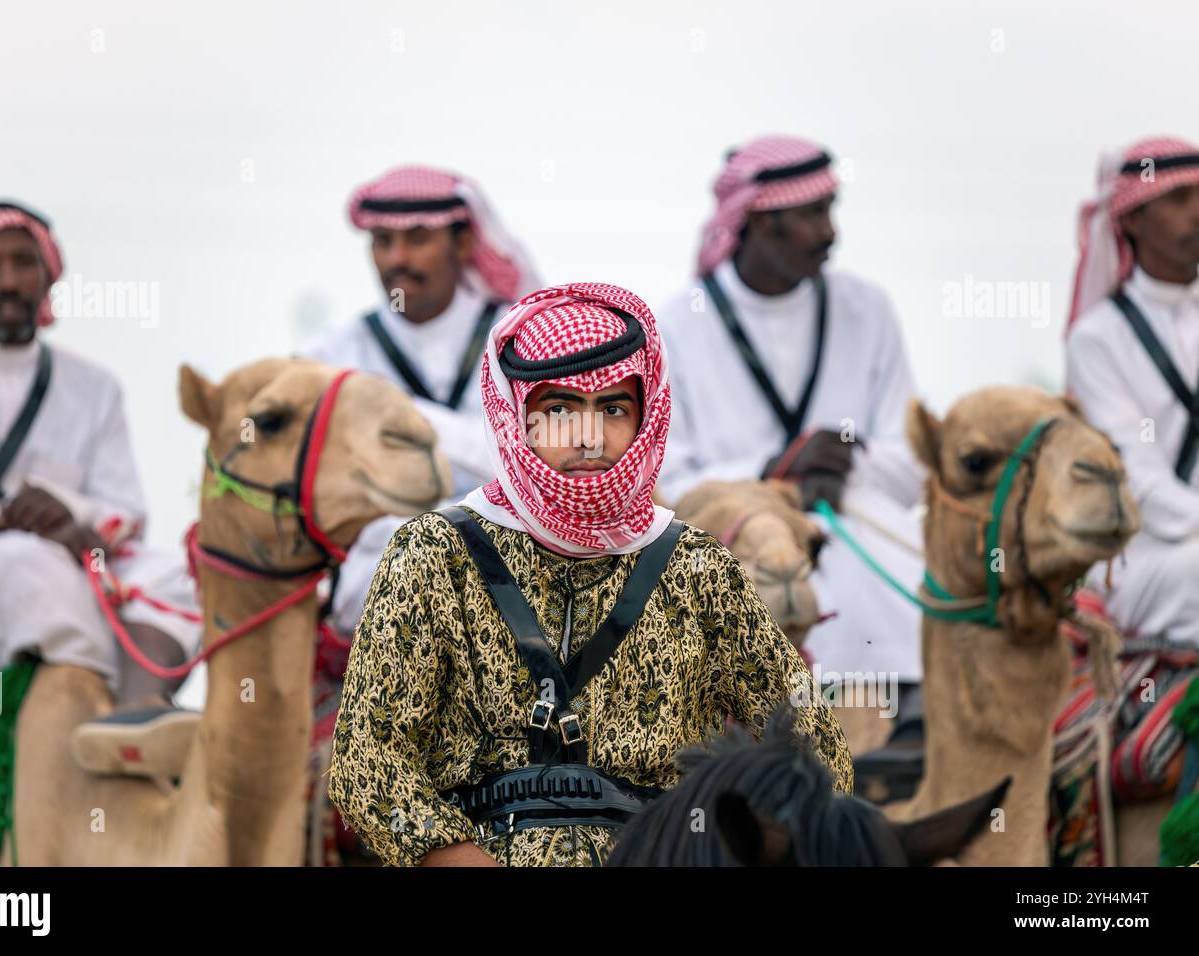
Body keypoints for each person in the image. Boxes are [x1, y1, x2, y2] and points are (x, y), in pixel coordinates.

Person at [328, 281, 852, 867]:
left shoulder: (700, 569)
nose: (589, 436)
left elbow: (817, 751)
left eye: (613, 408)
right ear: (515, 415)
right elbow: (369, 764)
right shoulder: (431, 557)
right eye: (558, 411)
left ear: (646, 414)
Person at [0, 200, 200, 777]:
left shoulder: (93, 387)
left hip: (64, 564)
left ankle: (138, 712)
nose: (9, 280)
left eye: (23, 263)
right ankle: (94, 715)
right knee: (19, 562)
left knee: (183, 570)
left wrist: (71, 516)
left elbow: (127, 510)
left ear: (47, 276)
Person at [656, 135, 925, 694]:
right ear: (758, 222)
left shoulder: (867, 310)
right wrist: (771, 472)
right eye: (812, 215)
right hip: (736, 537)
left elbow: (912, 463)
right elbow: (667, 481)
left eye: (829, 210)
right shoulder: (678, 324)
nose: (830, 233)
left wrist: (845, 467)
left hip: (862, 523)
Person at [303, 166, 539, 636]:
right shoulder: (333, 355)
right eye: (383, 242)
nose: (398, 258)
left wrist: (394, 418)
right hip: (375, 587)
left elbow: (529, 467)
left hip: (517, 570)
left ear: (464, 244)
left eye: (417, 239)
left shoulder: (525, 338)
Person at [1066, 135, 1199, 645]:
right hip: (1145, 560)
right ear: (1132, 219)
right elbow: (1137, 482)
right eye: (1179, 199)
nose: (1197, 214)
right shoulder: (1096, 340)